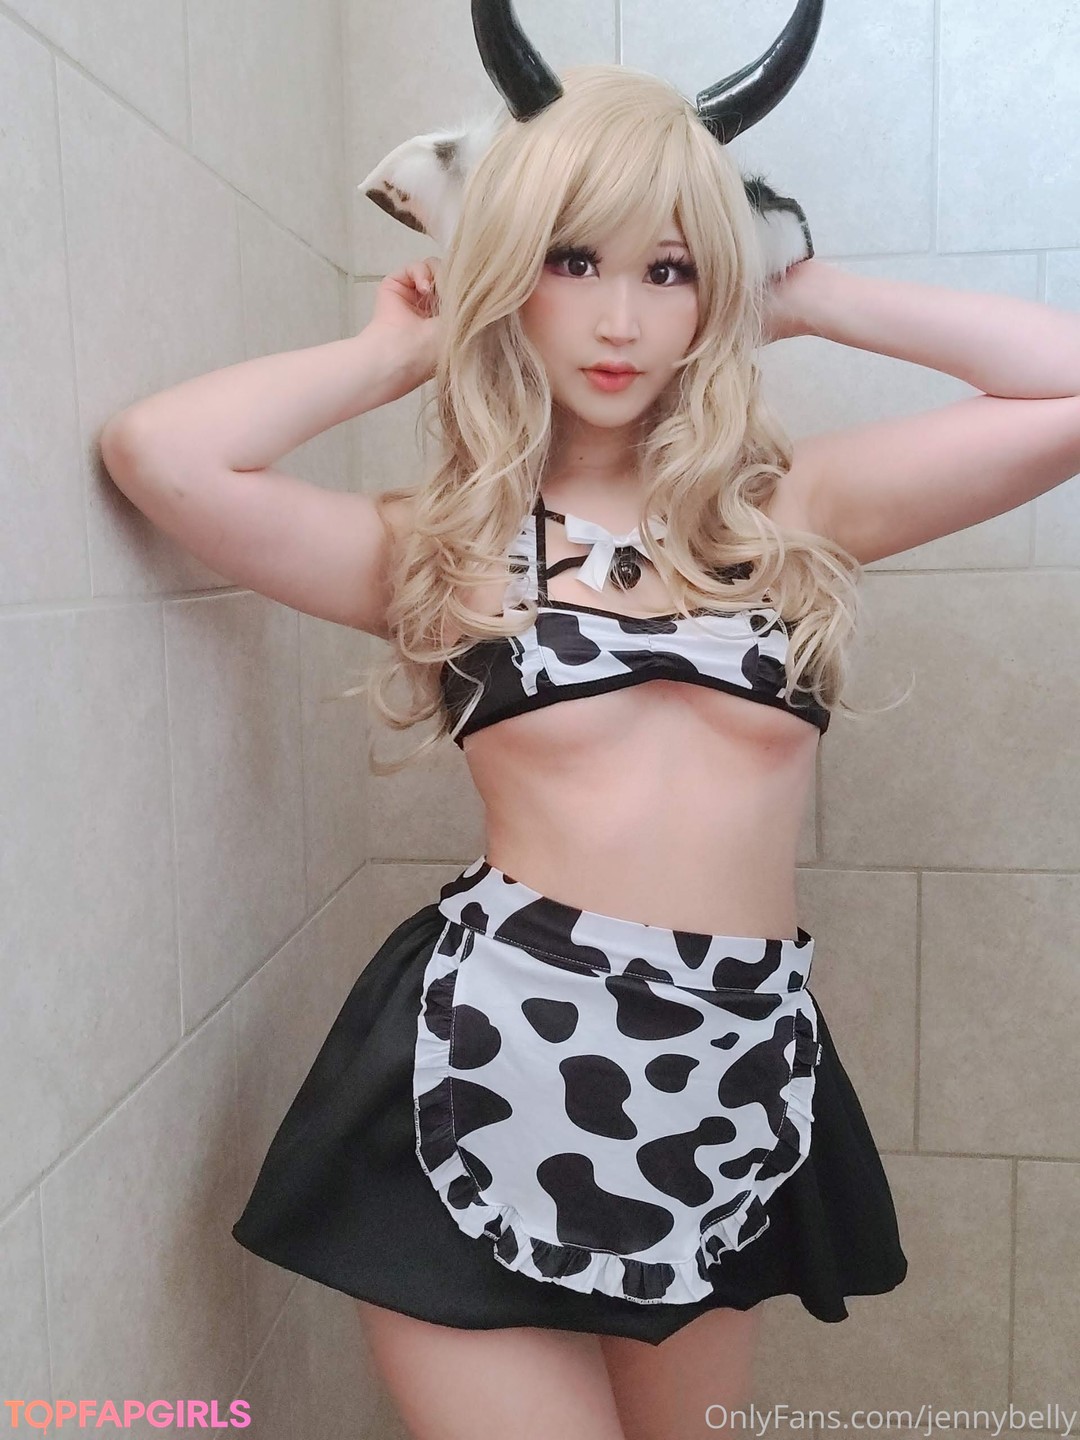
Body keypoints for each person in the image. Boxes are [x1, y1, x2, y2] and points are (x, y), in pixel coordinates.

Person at [98, 9, 1080, 1439]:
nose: (621, 322)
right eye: (572, 262)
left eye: (668, 270)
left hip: (728, 1076)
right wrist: (394, 350)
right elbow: (161, 455)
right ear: (514, 275)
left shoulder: (788, 513)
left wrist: (804, 291)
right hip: (488, 1065)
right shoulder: (443, 550)